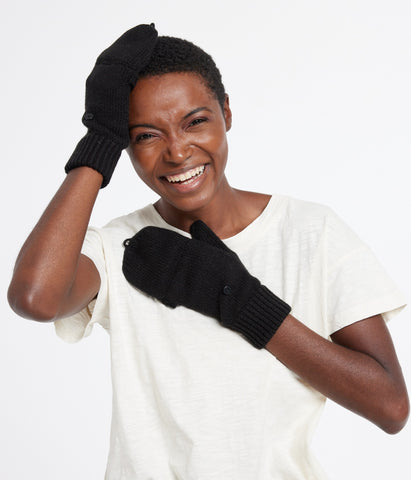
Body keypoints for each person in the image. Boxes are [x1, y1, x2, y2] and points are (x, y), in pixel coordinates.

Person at [7, 23, 409, 479]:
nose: (177, 152)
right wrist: (98, 140)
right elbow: (34, 298)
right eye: (146, 135)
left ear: (227, 113)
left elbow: (391, 406)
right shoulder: (120, 246)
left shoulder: (309, 233)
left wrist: (245, 303)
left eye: (195, 121)